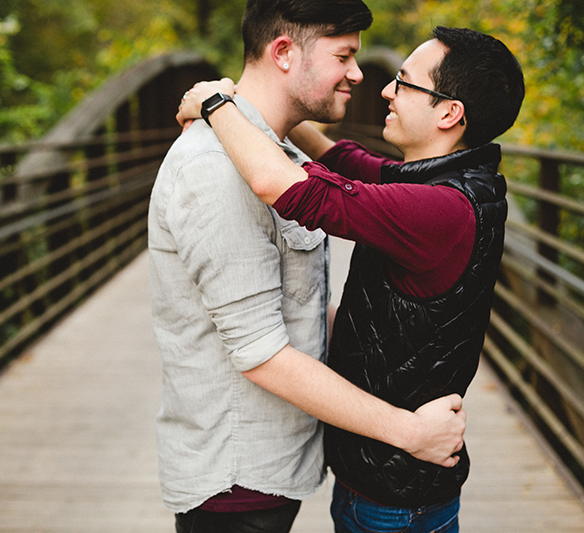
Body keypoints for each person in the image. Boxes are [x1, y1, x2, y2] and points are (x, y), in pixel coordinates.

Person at [176, 25, 525, 533]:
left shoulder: (438, 209)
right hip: (392, 482)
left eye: (405, 84)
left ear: (449, 113)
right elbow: (342, 161)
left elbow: (285, 186)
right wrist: (258, 104)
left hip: (396, 502)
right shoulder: (445, 181)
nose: (385, 89)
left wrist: (217, 107)